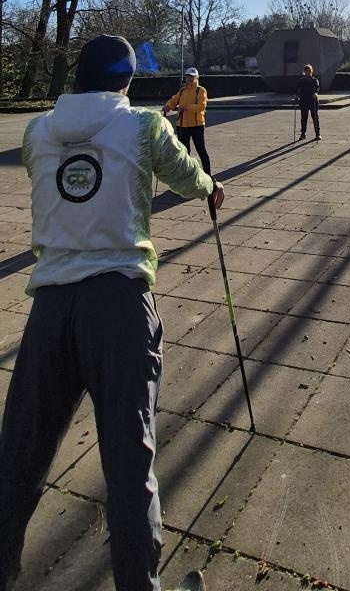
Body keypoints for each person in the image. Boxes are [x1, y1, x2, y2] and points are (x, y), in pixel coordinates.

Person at [0, 35, 225, 591]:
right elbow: (182, 174)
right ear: (126, 80)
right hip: (119, 304)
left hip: (50, 307)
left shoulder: (37, 132)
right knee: (128, 462)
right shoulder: (144, 126)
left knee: (19, 458)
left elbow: (54, 184)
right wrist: (211, 188)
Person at [164, 66, 211, 174]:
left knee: (201, 150)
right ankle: (186, 175)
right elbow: (174, 100)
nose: (190, 78)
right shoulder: (182, 90)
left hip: (197, 125)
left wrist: (186, 107)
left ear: (196, 77)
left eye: (192, 76)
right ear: (185, 77)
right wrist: (168, 106)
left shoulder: (201, 90)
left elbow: (201, 106)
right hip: (182, 125)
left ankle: (208, 175)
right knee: (184, 152)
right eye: (188, 76)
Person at [296, 64, 321, 140]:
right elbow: (298, 89)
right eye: (306, 71)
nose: (307, 72)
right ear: (304, 71)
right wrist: (297, 95)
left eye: (308, 71)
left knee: (315, 117)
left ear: (311, 71)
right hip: (303, 101)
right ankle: (303, 134)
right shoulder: (301, 80)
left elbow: (317, 88)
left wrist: (316, 93)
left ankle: (318, 134)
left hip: (313, 101)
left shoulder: (314, 80)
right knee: (303, 118)